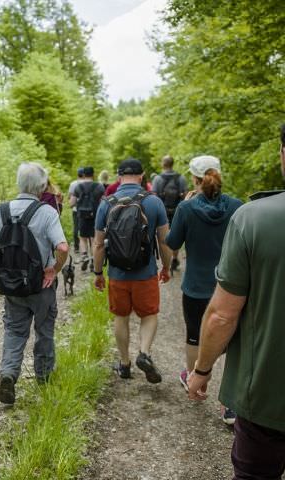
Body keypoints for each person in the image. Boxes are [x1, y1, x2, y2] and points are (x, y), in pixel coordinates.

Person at [188, 125, 285, 478]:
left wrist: (201, 370)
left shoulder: (255, 217)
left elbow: (222, 316)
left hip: (266, 392)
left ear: (282, 154)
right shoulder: (240, 209)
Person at [0, 162, 68, 405]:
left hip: (12, 286)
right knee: (44, 330)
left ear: (19, 183)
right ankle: (44, 378)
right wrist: (54, 270)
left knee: (14, 331)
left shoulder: (0, 211)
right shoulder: (47, 212)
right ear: (41, 186)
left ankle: (8, 374)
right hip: (41, 286)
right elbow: (63, 247)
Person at [166, 155, 242, 424]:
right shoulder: (237, 207)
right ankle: (230, 405)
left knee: (194, 336)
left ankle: (194, 381)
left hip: (196, 286)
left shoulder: (187, 209)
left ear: (195, 179)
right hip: (231, 286)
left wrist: (183, 208)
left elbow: (172, 241)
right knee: (235, 343)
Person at [93, 158, 172, 383]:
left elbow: (98, 244)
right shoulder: (154, 202)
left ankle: (125, 364)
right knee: (149, 315)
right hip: (145, 273)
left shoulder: (106, 202)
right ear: (141, 175)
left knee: (121, 316)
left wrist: (98, 273)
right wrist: (165, 267)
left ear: (119, 176)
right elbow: (164, 241)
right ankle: (144, 353)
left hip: (117, 274)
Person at [152, 155, 188, 272]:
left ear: (163, 164)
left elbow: (154, 196)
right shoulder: (181, 178)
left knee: (163, 236)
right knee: (176, 234)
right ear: (173, 164)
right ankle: (174, 258)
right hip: (178, 210)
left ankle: (165, 261)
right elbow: (185, 196)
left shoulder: (157, 179)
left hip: (162, 211)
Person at [70, 166, 105, 272]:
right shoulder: (99, 186)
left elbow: (72, 203)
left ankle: (84, 255)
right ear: (93, 174)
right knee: (94, 239)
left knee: (83, 238)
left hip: (82, 216)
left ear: (83, 175)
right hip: (96, 216)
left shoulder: (78, 187)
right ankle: (94, 259)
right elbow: (104, 201)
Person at [68, 167, 84, 255]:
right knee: (85, 228)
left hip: (75, 209)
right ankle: (86, 248)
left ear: (77, 174)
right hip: (87, 210)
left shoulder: (73, 184)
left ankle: (76, 248)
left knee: (76, 227)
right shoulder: (88, 183)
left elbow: (69, 196)